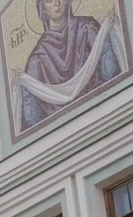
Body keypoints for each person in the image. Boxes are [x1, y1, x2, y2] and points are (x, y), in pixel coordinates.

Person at [16, 0, 125, 133]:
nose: (57, 3)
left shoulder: (87, 28)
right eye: (49, 1)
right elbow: (32, 118)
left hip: (107, 115)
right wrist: (23, 85)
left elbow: (110, 73)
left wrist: (106, 34)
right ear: (42, 9)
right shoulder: (37, 59)